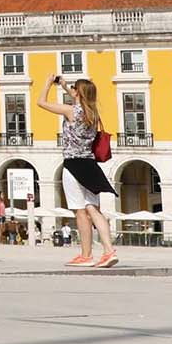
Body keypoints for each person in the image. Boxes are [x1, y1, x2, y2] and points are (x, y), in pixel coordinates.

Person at [37, 75, 117, 268]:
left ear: (78, 93)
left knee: (80, 212)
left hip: (73, 165)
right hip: (90, 165)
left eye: (74, 89)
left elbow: (41, 102)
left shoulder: (71, 111)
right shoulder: (93, 113)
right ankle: (108, 251)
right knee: (94, 210)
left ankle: (86, 255)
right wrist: (65, 86)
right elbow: (79, 99)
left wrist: (48, 83)